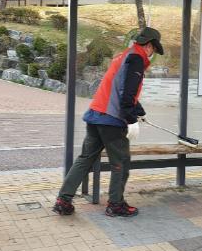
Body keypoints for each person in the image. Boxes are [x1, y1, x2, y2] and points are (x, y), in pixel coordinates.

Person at [53, 27, 164, 217]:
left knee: (85, 159)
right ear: (149, 45)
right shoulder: (136, 59)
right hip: (111, 119)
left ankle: (63, 200)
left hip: (96, 114)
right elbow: (126, 94)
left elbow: (119, 88)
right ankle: (116, 204)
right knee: (121, 162)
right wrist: (131, 120)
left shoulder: (123, 56)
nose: (152, 53)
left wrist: (139, 112)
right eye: (154, 49)